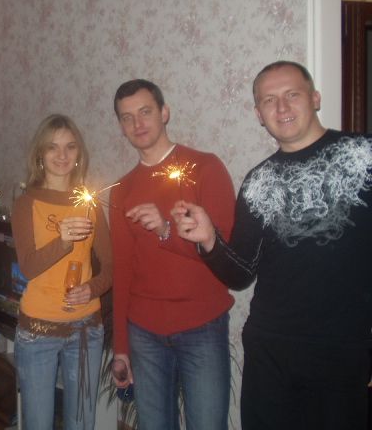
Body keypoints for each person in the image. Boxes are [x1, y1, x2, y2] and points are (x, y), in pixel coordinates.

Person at [171, 60, 372, 429]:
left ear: (315, 98)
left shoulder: (363, 156)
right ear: (258, 114)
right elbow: (241, 274)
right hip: (270, 352)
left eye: (292, 94)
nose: (281, 107)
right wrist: (210, 239)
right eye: (269, 100)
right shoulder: (258, 182)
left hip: (342, 351)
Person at [109, 79, 236, 430]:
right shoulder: (122, 190)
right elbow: (122, 270)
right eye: (127, 117)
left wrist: (166, 231)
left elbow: (227, 252)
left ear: (164, 113)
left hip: (202, 327)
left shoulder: (205, 168)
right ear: (121, 126)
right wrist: (121, 347)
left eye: (145, 112)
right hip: (144, 332)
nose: (138, 123)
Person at [11, 114, 112, 430]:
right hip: (37, 330)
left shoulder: (89, 203)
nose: (62, 155)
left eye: (70, 146)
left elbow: (112, 266)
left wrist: (92, 288)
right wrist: (64, 240)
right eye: (52, 147)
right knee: (38, 423)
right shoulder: (26, 203)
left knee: (81, 423)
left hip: (85, 330)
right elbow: (28, 266)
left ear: (79, 153)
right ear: (39, 153)